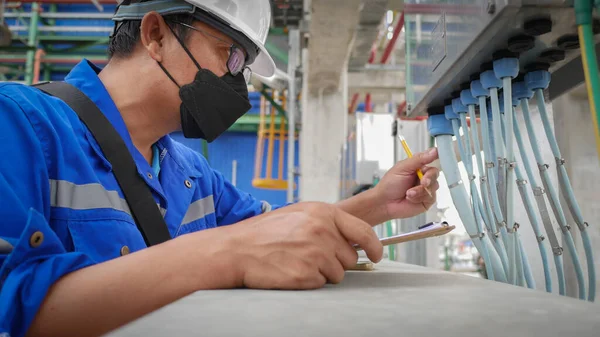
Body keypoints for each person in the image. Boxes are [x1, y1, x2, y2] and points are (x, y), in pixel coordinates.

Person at [0, 0, 440, 336]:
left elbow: (273, 234)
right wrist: (228, 255)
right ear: (155, 34)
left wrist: (379, 202)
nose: (237, 84)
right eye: (230, 56)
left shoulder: (189, 172)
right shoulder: (21, 125)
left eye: (243, 69)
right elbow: (12, 305)